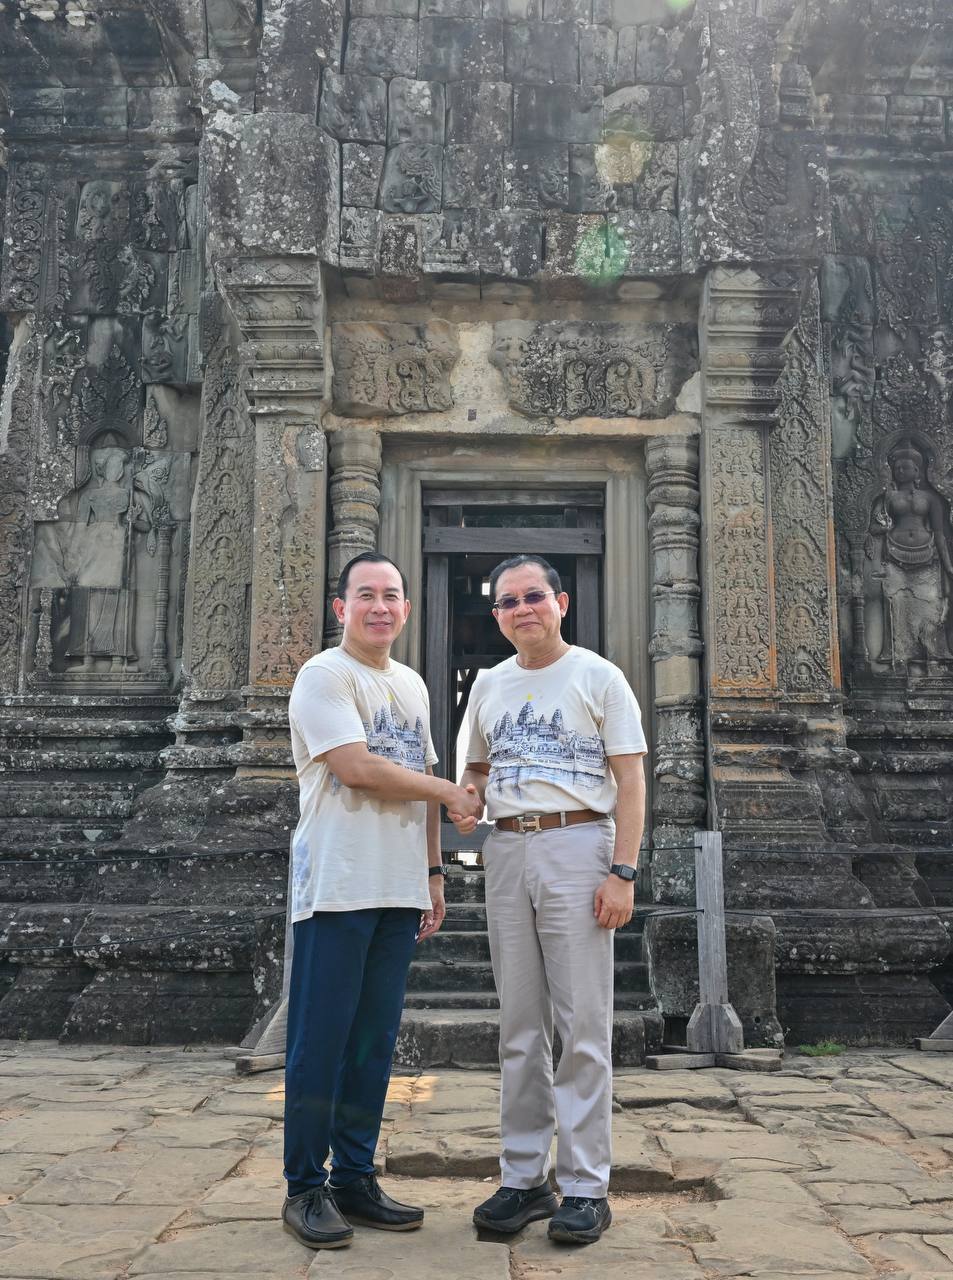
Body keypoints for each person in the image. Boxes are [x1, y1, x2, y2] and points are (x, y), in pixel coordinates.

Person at [282, 551, 482, 1250]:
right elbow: (357, 768)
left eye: (391, 596)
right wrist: (451, 791)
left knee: (371, 1043)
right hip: (338, 887)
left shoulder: (410, 683)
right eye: (365, 595)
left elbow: (418, 778)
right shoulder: (324, 675)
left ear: (406, 609)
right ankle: (304, 1187)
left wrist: (433, 873)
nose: (379, 606)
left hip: (397, 889)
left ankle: (354, 1178)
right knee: (320, 1043)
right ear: (342, 608)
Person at [454, 554, 647, 1246]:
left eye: (532, 596)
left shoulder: (598, 676)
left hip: (578, 844)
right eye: (506, 602)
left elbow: (631, 781)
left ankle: (586, 1186)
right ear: (497, 616)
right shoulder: (488, 684)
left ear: (561, 603)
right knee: (519, 1024)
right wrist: (466, 801)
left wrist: (623, 872)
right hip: (507, 850)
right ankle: (524, 1176)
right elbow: (476, 767)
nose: (521, 610)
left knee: (582, 1024)